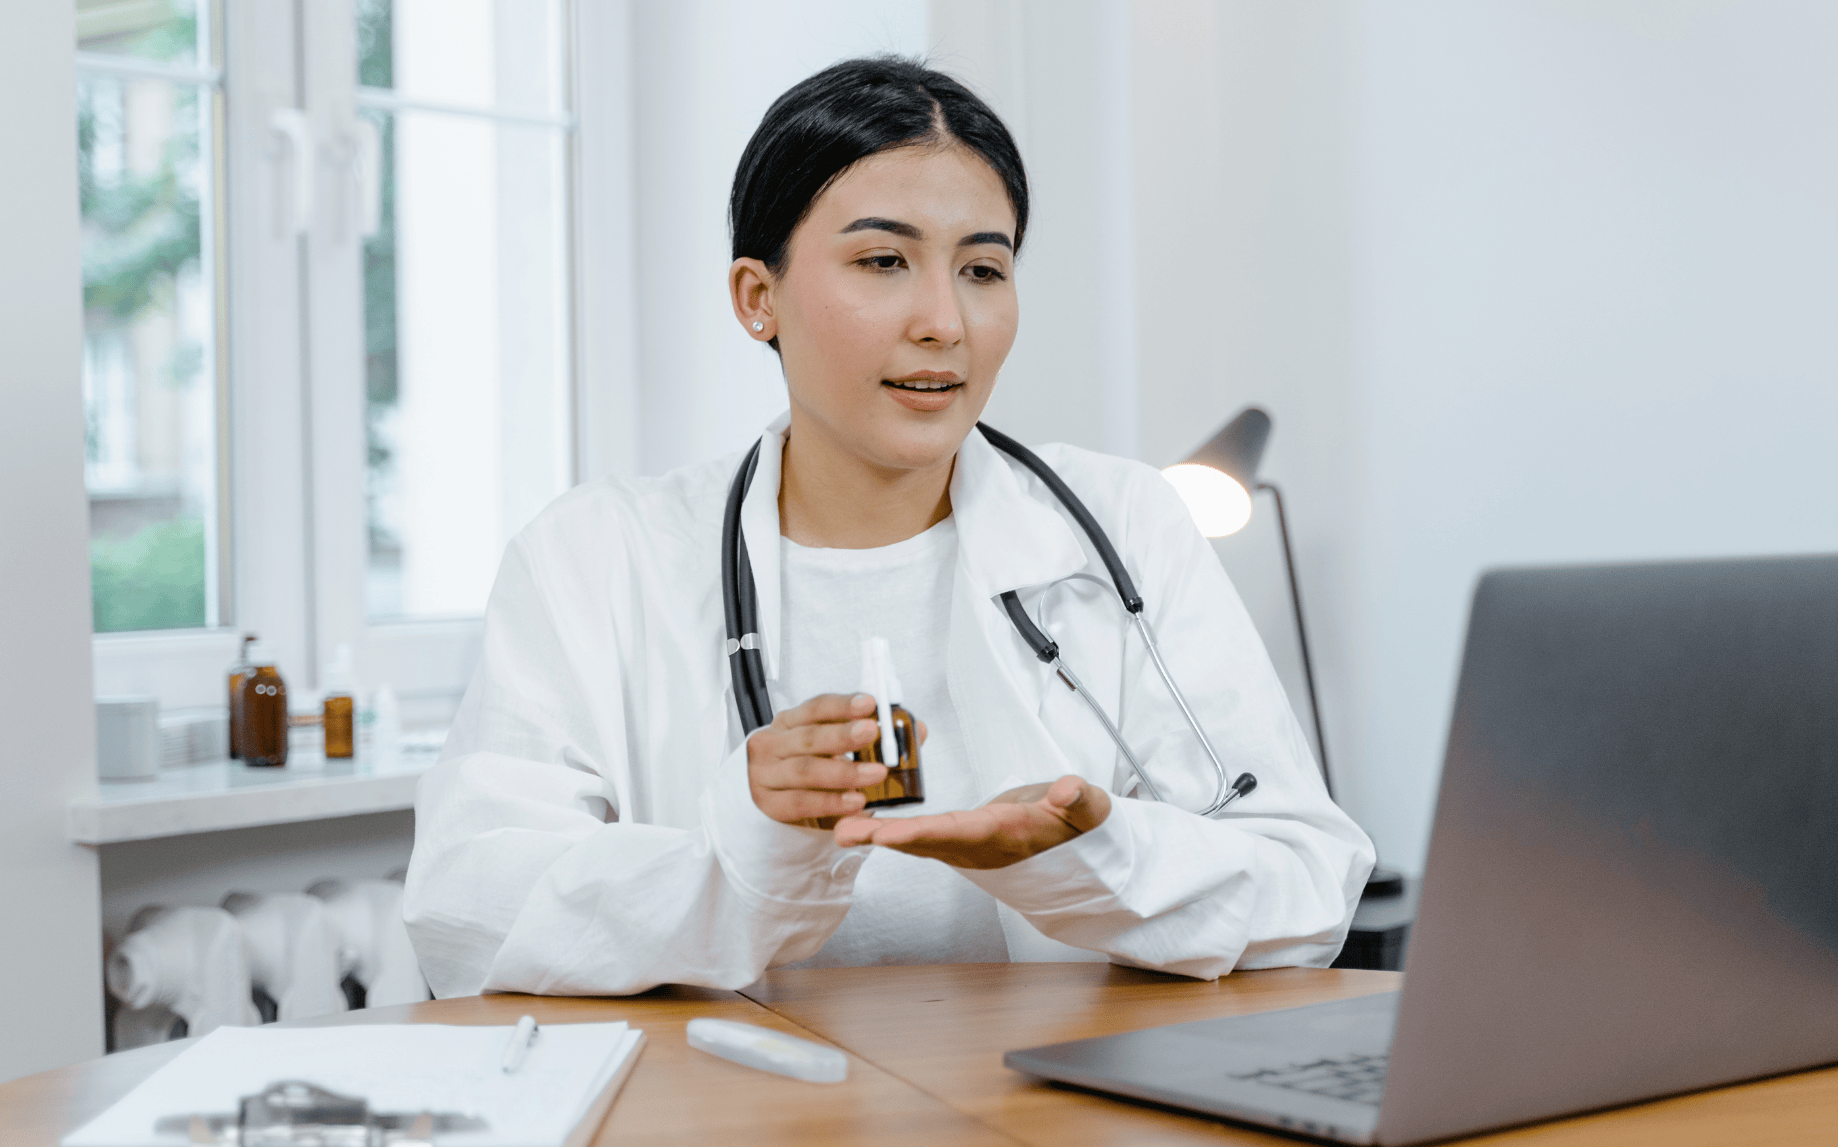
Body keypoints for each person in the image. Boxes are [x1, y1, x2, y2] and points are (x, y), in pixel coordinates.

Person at [403, 56, 1373, 997]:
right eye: (883, 260)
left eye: (983, 268)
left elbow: (1308, 881)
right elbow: (468, 910)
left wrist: (1089, 852)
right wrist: (751, 841)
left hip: (1050, 1107)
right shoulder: (597, 558)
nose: (946, 320)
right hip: (723, 1108)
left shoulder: (1120, 523)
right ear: (757, 296)